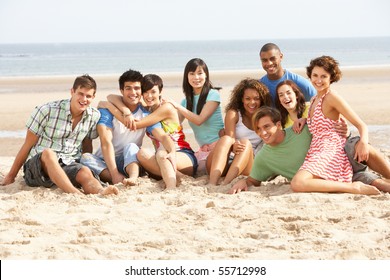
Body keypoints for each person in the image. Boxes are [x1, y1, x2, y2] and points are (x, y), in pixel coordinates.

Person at [0, 75, 118, 195]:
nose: (84, 99)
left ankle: (100, 191)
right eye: (80, 94)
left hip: (67, 164)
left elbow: (87, 145)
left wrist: (82, 166)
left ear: (93, 97)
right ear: (72, 92)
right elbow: (27, 145)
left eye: (88, 96)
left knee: (84, 172)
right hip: (37, 168)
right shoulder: (46, 111)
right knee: (49, 153)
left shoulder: (93, 116)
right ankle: (74, 192)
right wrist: (11, 176)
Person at [229, 107, 390, 195]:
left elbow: (330, 129)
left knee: (365, 148)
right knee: (381, 186)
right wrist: (244, 181)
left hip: (343, 159)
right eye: (258, 129)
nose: (262, 133)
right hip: (339, 180)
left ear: (278, 125)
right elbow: (254, 180)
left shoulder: (300, 129)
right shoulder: (264, 157)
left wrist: (345, 129)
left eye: (266, 127)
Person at [291, 56, 381, 195]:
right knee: (298, 182)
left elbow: (361, 124)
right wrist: (305, 120)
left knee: (298, 183)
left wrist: (363, 142)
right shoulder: (315, 98)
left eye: (324, 76)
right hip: (316, 150)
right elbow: (322, 123)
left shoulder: (332, 97)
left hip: (331, 149)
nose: (318, 80)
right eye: (315, 75)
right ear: (310, 75)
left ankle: (353, 188)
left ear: (331, 78)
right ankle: (353, 185)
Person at [105, 74, 198, 190]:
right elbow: (111, 97)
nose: (149, 96)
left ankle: (171, 187)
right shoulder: (148, 109)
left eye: (153, 92)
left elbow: (136, 125)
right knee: (141, 153)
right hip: (161, 161)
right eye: (146, 92)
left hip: (181, 154)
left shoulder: (166, 107)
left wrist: (109, 107)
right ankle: (180, 177)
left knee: (161, 154)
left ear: (160, 91)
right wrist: (124, 110)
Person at [80, 70, 166, 187]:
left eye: (136, 88)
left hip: (130, 161)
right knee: (85, 158)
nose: (133, 92)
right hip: (105, 161)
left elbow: (160, 134)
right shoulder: (107, 111)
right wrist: (114, 173)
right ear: (122, 91)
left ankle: (133, 178)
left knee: (131, 147)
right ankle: (115, 177)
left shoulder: (146, 114)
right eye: (128, 88)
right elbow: (106, 142)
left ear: (141, 91)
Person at [207, 78, 271, 186]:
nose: (252, 102)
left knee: (245, 143)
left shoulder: (265, 118)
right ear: (242, 99)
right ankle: (212, 184)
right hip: (223, 161)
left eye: (256, 98)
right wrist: (234, 145)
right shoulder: (234, 114)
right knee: (227, 139)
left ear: (262, 100)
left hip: (246, 164)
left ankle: (225, 184)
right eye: (248, 99)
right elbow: (229, 138)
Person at [168, 58, 224, 173]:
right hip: (203, 150)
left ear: (206, 75)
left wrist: (177, 106)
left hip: (219, 145)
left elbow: (200, 120)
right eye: (192, 74)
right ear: (187, 77)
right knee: (190, 170)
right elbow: (173, 125)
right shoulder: (186, 102)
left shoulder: (213, 95)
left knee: (201, 171)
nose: (196, 77)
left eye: (200, 73)